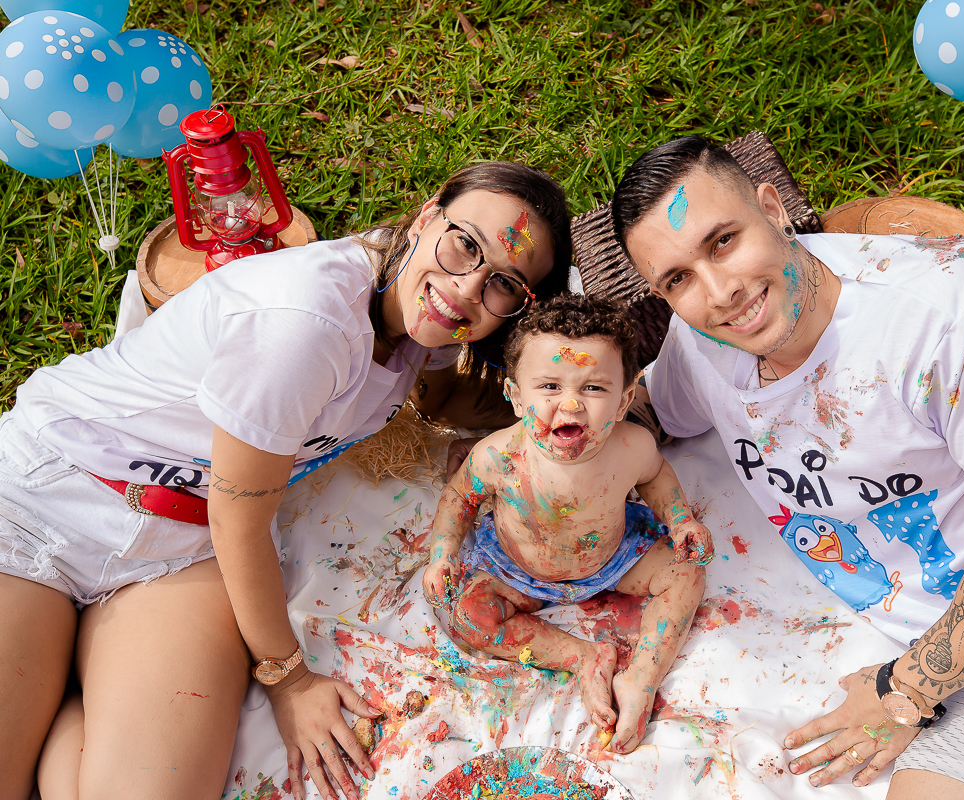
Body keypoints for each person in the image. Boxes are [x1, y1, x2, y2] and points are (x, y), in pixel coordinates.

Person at [610, 135, 964, 800]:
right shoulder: (703, 340)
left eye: (723, 241)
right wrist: (573, 461)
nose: (720, 291)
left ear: (771, 207)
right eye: (677, 279)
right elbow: (655, 412)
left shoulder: (955, 311)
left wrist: (904, 689)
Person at [0, 162, 572, 800]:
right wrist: (290, 681)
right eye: (466, 243)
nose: (466, 288)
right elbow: (239, 518)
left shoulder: (422, 320)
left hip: (178, 552)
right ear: (430, 212)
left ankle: (55, 699)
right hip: (47, 502)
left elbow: (452, 402)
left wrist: (572, 407)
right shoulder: (308, 322)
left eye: (503, 284)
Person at [421, 295, 713, 754]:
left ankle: (641, 677)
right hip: (520, 572)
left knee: (688, 570)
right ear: (515, 396)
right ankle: (581, 657)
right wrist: (441, 555)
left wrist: (679, 520)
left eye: (595, 388)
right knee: (467, 614)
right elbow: (459, 498)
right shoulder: (498, 455)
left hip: (615, 558)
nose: (572, 404)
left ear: (624, 400)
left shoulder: (631, 446)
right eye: (550, 387)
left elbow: (656, 477)